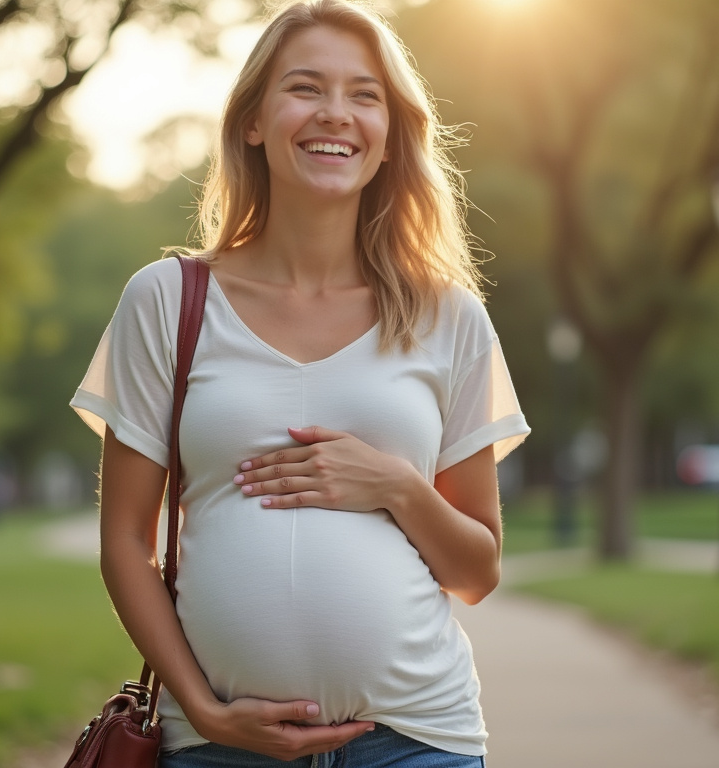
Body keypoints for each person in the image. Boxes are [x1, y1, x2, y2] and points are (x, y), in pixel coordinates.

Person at [71, 1, 530, 765]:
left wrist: (395, 485)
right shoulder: (167, 301)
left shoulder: (447, 315)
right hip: (219, 748)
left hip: (413, 743)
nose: (336, 113)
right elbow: (124, 540)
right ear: (253, 121)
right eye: (306, 87)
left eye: (364, 95)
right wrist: (204, 711)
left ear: (390, 137)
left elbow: (476, 573)